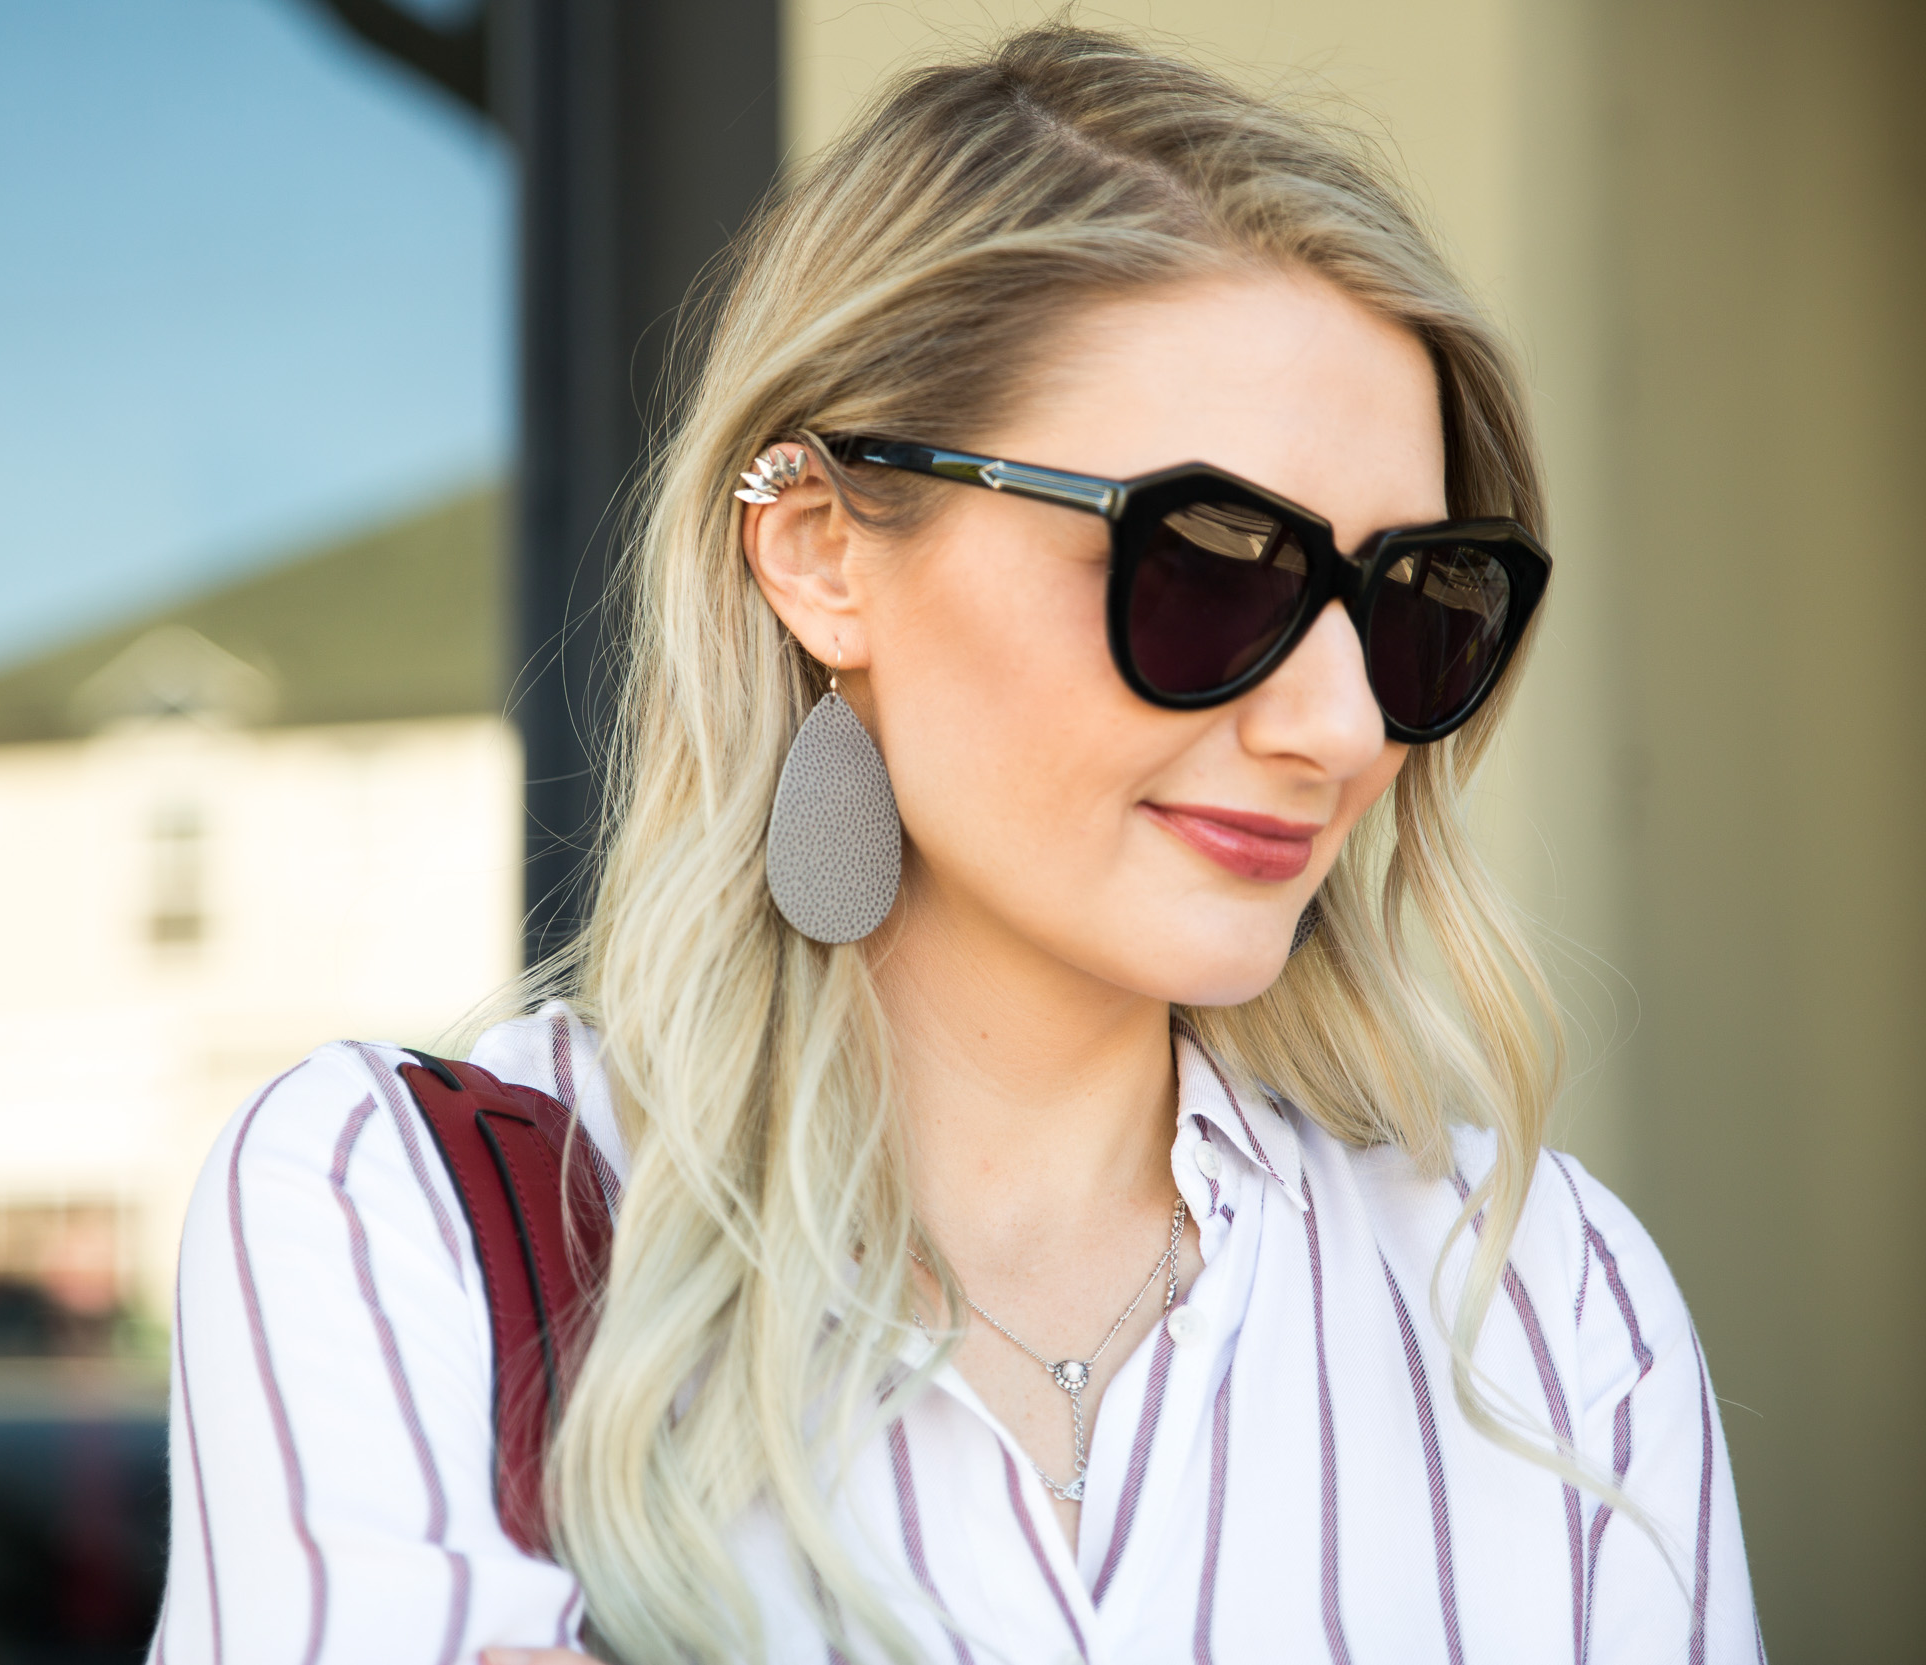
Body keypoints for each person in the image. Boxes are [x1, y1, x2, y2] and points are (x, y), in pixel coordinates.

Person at [152, 27, 1761, 1665]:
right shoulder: (409, 1219)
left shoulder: (1547, 1306)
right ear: (822, 554)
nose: (1342, 728)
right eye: (1210, 567)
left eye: (1416, 603)